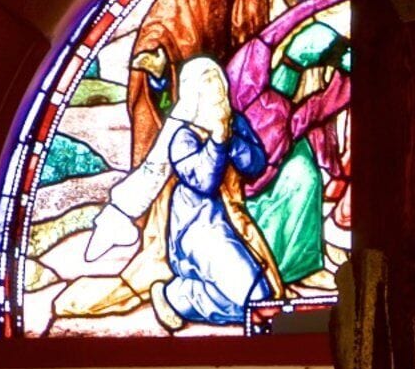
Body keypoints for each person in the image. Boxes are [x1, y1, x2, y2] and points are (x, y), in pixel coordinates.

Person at [71, 56, 277, 329]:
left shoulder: (234, 122)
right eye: (206, 86)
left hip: (233, 216)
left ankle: (180, 296)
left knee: (261, 299)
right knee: (254, 298)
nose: (215, 91)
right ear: (192, 93)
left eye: (217, 82)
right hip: (197, 224)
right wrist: (217, 141)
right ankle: (180, 295)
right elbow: (204, 182)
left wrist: (231, 136)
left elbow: (256, 164)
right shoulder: (182, 135)